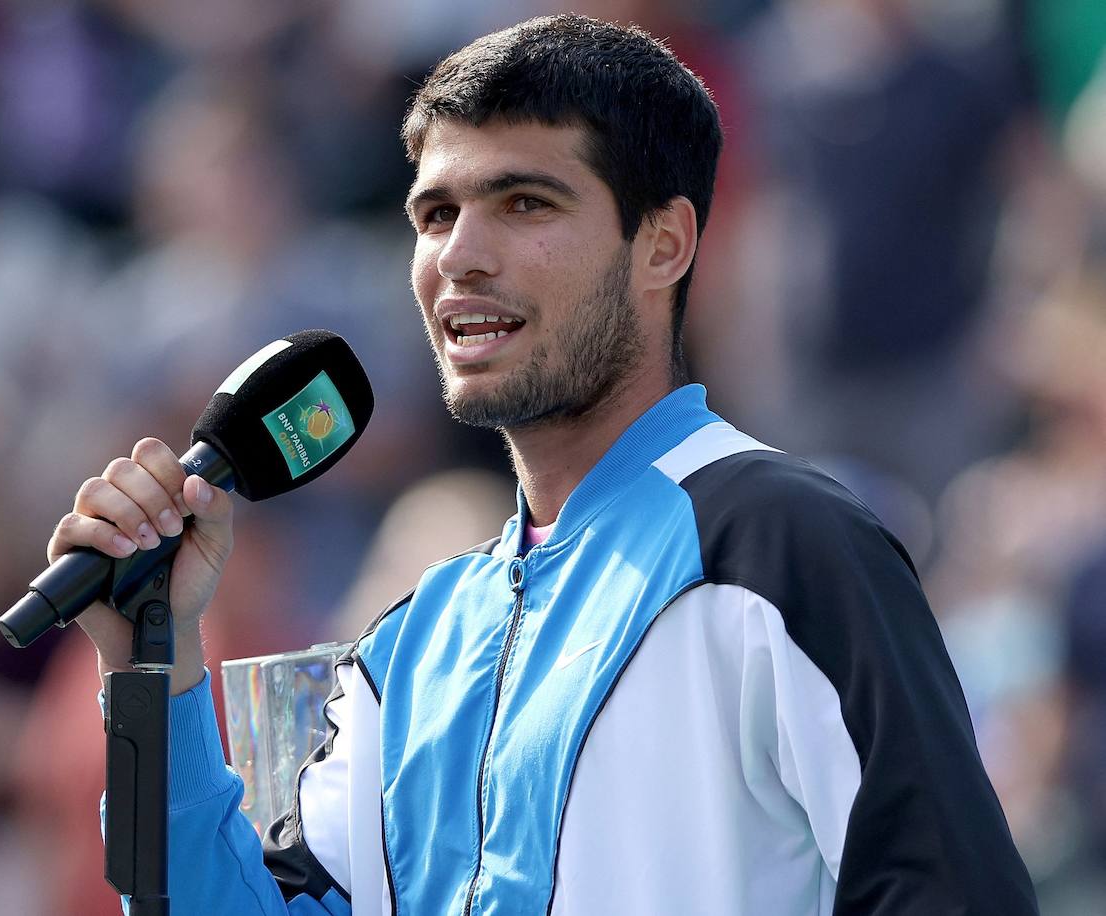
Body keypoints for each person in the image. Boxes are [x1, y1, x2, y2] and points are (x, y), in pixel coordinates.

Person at [51, 15, 1038, 915]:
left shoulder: (786, 542)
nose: (461, 256)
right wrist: (154, 664)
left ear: (666, 244)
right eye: (434, 214)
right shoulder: (405, 647)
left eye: (523, 202)